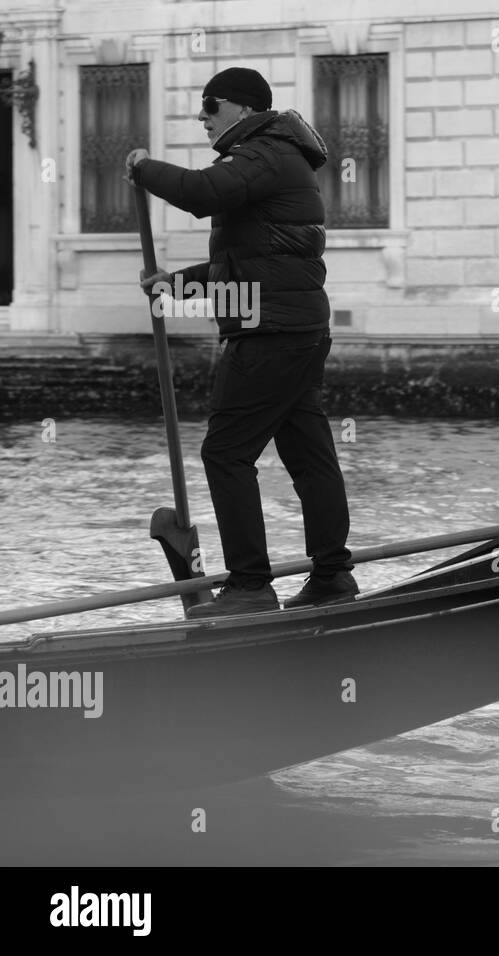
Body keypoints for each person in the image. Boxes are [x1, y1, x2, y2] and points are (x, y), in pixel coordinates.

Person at [126, 67, 357, 618]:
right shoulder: (269, 159)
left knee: (226, 452)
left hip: (270, 332)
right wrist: (176, 285)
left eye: (211, 105)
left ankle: (251, 587)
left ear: (245, 110)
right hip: (292, 328)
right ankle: (332, 576)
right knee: (307, 453)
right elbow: (241, 263)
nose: (201, 117)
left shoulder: (264, 154)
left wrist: (143, 167)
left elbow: (200, 194)